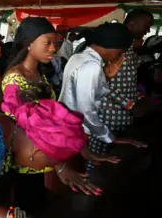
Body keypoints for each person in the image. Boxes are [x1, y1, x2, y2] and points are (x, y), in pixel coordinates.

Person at [1, 17, 105, 211]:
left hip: (42, 157)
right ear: (29, 44)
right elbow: (31, 129)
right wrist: (61, 167)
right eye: (47, 43)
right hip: (28, 160)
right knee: (30, 206)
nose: (53, 49)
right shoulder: (15, 79)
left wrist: (79, 148)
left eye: (54, 43)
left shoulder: (38, 74)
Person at [59, 23, 147, 171]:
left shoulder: (79, 57)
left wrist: (106, 77)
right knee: (84, 170)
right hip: (76, 130)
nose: (119, 57)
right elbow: (86, 111)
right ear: (111, 46)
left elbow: (86, 94)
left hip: (68, 127)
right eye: (120, 52)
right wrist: (111, 137)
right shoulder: (91, 66)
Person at [93, 11, 154, 158]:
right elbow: (100, 83)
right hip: (108, 115)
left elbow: (127, 82)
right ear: (131, 24)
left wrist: (139, 98)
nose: (147, 31)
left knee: (119, 159)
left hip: (125, 116)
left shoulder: (130, 49)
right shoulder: (113, 47)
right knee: (100, 160)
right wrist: (130, 105)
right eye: (146, 26)